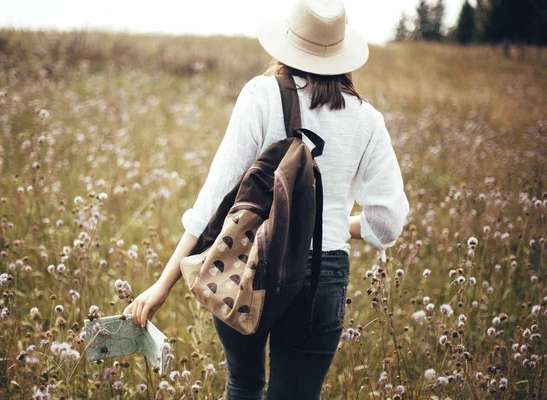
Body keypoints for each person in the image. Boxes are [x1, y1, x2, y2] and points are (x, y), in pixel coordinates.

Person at [123, 0, 409, 398]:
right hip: (322, 278)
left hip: (247, 261)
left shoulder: (261, 95)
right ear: (343, 54)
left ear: (287, 44)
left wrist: (162, 285)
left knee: (243, 384)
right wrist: (333, 223)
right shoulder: (368, 120)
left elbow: (213, 202)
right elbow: (387, 222)